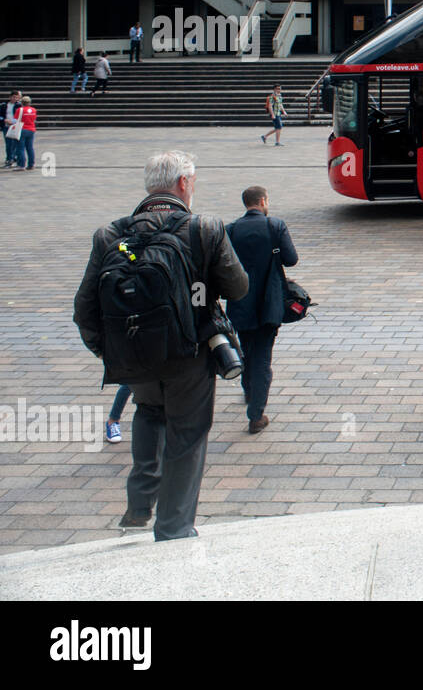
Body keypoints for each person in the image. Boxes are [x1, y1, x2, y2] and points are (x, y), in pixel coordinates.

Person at [73, 151, 248, 540]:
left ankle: (139, 505)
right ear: (184, 183)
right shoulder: (203, 228)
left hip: (133, 353)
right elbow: (238, 287)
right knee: (187, 433)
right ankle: (173, 529)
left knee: (150, 412)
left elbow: (84, 308)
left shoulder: (110, 234)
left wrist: (107, 350)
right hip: (189, 353)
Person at [225, 185, 299, 433]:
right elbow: (291, 259)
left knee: (246, 349)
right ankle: (256, 415)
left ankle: (249, 393)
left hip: (240, 300)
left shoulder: (231, 229)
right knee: (263, 358)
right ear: (264, 201)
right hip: (270, 302)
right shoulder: (275, 225)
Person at [14, 95, 36, 171]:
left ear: (22, 102)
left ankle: (21, 165)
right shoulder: (33, 110)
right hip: (31, 129)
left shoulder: (20, 110)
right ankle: (31, 164)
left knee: (20, 148)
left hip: (22, 129)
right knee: (30, 148)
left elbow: (16, 120)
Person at [3, 90, 21, 168]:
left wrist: (14, 122)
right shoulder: (4, 105)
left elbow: (20, 116)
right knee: (8, 144)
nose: (15, 99)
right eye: (13, 97)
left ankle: (14, 158)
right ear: (10, 97)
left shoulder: (19, 106)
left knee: (15, 143)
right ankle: (9, 158)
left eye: (16, 97)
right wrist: (4, 120)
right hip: (6, 126)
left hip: (15, 126)